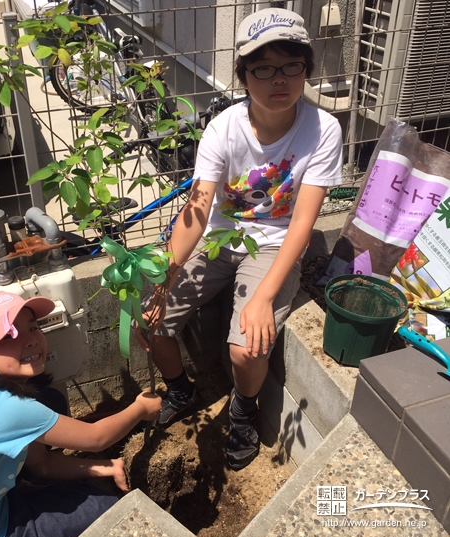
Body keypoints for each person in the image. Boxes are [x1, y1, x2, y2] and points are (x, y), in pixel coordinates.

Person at [137, 7, 343, 471]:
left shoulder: (323, 129)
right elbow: (199, 207)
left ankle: (244, 409)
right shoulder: (223, 128)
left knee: (246, 345)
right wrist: (166, 275)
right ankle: (181, 389)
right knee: (149, 320)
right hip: (218, 238)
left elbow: (302, 224)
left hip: (274, 243)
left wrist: (263, 296)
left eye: (292, 65)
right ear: (244, 75)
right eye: (263, 67)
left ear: (306, 69)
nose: (279, 79)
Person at [0, 291, 161, 537]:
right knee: (105, 507)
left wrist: (106, 466)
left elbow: (41, 466)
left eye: (33, 327)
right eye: (9, 335)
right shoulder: (9, 410)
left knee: (51, 402)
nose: (30, 340)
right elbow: (96, 438)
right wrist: (140, 408)